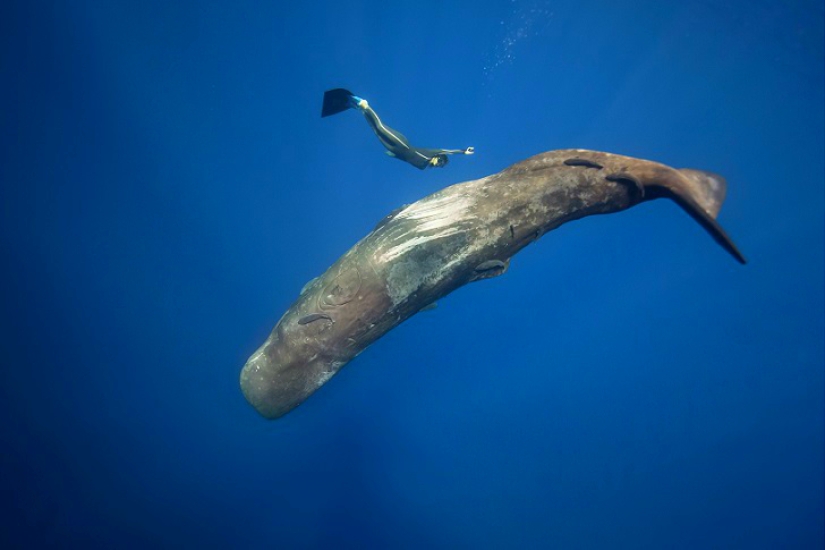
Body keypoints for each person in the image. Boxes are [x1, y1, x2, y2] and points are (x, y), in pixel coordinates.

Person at [321, 88, 474, 170]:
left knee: (374, 130)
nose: (437, 165)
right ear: (439, 158)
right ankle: (364, 104)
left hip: (396, 150)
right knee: (380, 127)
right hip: (402, 144)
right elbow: (447, 151)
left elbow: (406, 160)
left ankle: (357, 108)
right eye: (440, 162)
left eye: (439, 166)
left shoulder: (422, 167)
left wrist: (394, 156)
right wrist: (462, 151)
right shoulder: (433, 154)